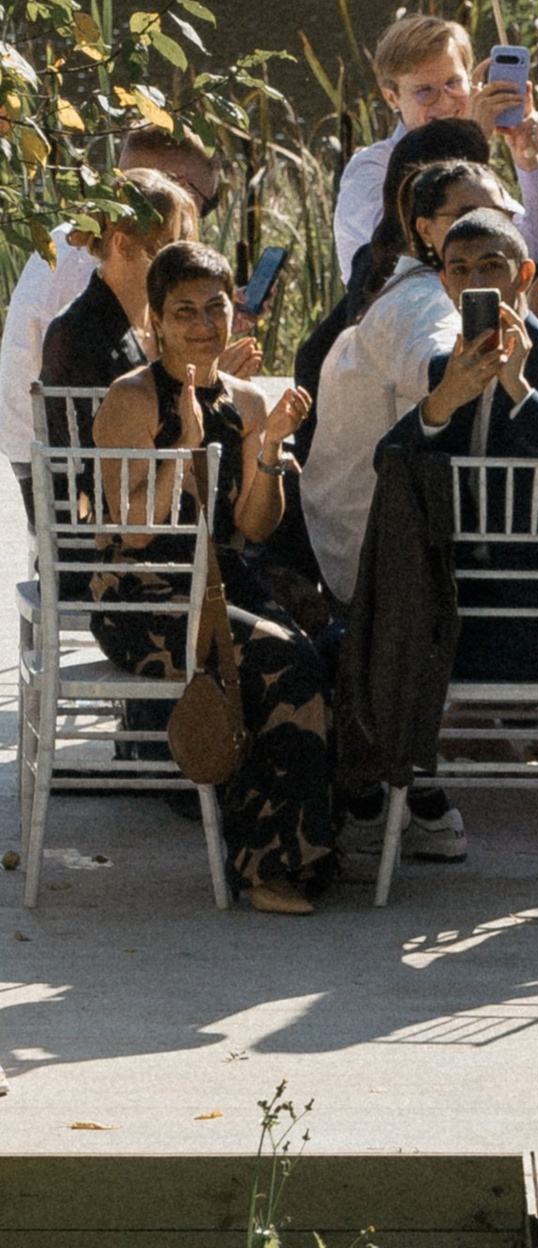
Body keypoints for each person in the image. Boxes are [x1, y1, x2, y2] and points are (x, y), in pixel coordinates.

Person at [372, 206, 538, 815]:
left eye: (490, 267)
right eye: (459, 270)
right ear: (444, 284)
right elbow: (385, 466)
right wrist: (442, 402)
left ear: (523, 275)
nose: (474, 283)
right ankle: (393, 802)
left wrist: (520, 388)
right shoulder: (447, 363)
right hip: (458, 602)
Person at [90, 246, 331, 914]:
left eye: (215, 307)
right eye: (185, 311)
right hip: (143, 597)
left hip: (222, 585)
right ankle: (267, 866)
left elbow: (254, 527)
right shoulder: (131, 399)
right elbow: (134, 533)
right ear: (158, 321)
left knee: (324, 647)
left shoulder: (248, 400)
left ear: (235, 310)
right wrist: (182, 454)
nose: (203, 324)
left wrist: (272, 447)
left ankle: (305, 847)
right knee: (280, 662)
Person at [302, 155, 504, 609]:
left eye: (498, 213)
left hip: (359, 533)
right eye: (467, 215)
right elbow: (435, 364)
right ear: (426, 230)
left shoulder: (409, 287)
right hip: (386, 552)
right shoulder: (424, 299)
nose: (486, 224)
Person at [2, 126, 226, 500]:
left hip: (64, 450)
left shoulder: (76, 240)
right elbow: (119, 404)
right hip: (65, 471)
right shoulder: (92, 291)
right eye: (171, 243)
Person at [330, 13, 538, 276]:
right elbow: (407, 258)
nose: (445, 102)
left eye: (453, 83)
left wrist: (527, 160)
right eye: (425, 91)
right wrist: (473, 139)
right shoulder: (369, 169)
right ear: (391, 98)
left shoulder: (478, 169)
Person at [37, 170, 201, 447]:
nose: (183, 266)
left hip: (159, 481)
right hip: (107, 485)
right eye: (170, 251)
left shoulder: (157, 320)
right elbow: (101, 453)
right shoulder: (76, 332)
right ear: (123, 245)